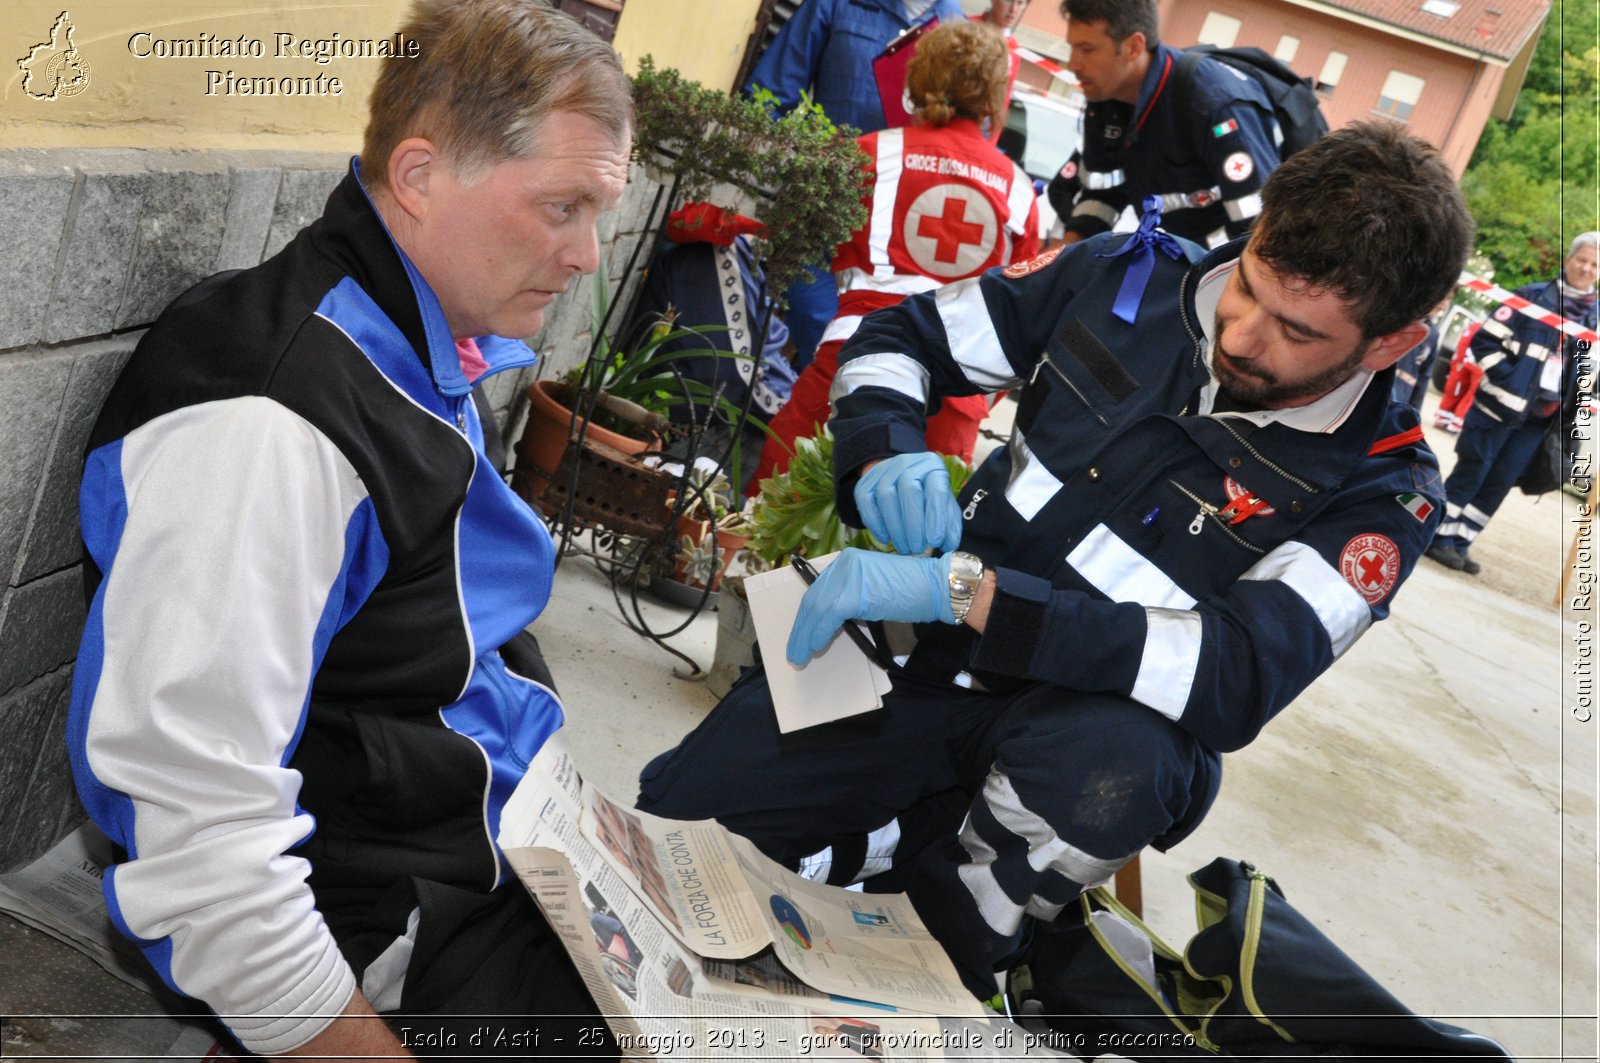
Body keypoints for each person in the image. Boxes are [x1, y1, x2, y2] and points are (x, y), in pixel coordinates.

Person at [638, 122, 1472, 998]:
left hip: (1072, 728)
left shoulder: (1385, 492)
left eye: (1296, 332)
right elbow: (898, 337)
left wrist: (969, 593)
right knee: (672, 831)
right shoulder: (1126, 272)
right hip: (911, 641)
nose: (1241, 335)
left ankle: (956, 938)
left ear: (1390, 344)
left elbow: (1233, 675)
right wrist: (883, 448)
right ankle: (885, 839)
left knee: (1110, 776)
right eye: (1250, 285)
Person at [65, 1, 631, 1056]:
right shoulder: (278, 429)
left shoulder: (418, 339)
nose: (589, 253)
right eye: (560, 206)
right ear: (418, 177)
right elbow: (204, 848)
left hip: (482, 848)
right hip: (390, 923)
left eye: (601, 210)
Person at [751, 20, 1039, 489]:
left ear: (916, 77)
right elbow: (1024, 316)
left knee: (776, 506)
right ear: (994, 94)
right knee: (906, 544)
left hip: (854, 364)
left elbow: (799, 249)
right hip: (956, 397)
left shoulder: (869, 155)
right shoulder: (1021, 193)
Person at [744, 0, 969, 367]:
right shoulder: (837, 3)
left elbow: (967, 141)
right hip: (822, 208)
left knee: (874, 352)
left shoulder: (958, 29)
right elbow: (768, 98)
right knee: (820, 327)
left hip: (901, 232)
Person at [1427, 232, 1599, 574]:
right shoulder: (1531, 297)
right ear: (1568, 260)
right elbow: (1484, 343)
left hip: (1541, 420)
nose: (1587, 268)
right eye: (1583, 259)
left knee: (1499, 482)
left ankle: (1461, 542)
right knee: (1472, 471)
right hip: (1499, 409)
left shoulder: (1594, 317)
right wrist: (1508, 382)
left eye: (1595, 264)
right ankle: (1437, 537)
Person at [1046, 0, 1282, 248]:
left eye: (1087, 49)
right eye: (1072, 48)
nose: (1073, 64)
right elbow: (1104, 195)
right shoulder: (1106, 100)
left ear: (1133, 47)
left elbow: (1258, 229)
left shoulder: (1212, 104)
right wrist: (1065, 254)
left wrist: (1184, 264)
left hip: (1223, 270)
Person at [631, 203, 798, 494]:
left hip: (724, 420)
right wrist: (807, 416)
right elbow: (742, 378)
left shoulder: (744, 260)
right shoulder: (719, 257)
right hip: (699, 431)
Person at [971, 0, 1030, 143]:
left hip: (981, 135)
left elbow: (1003, 102)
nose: (1014, 9)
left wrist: (991, 142)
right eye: (1009, 1)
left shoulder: (1014, 50)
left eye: (1020, 3)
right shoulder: (965, 28)